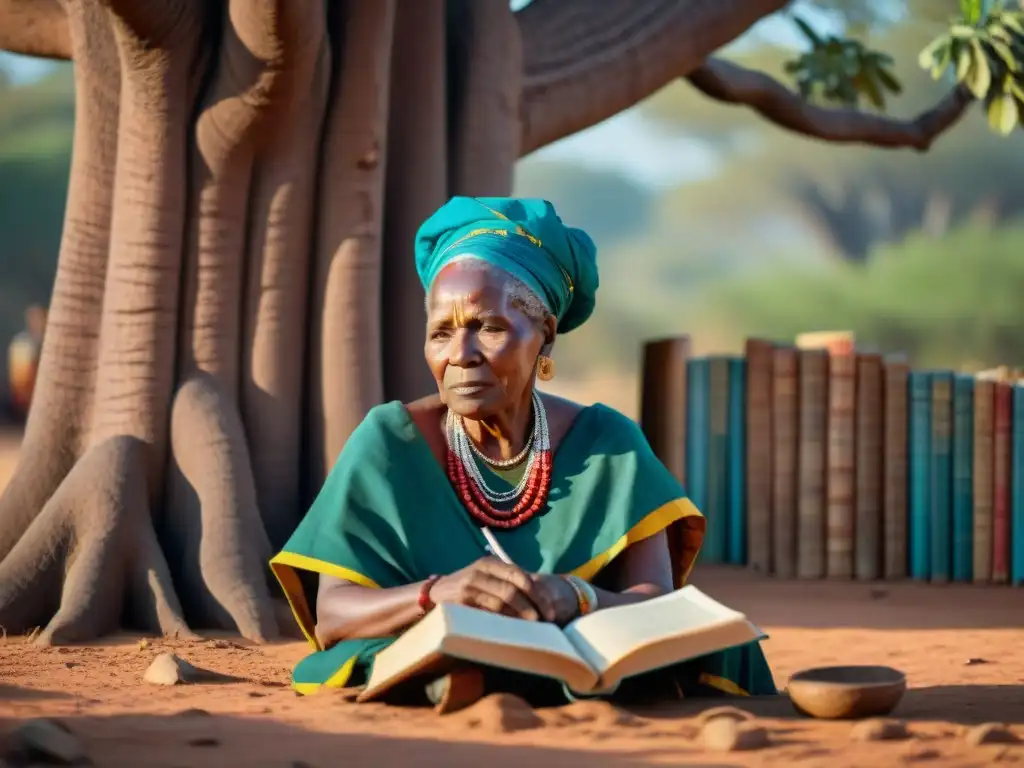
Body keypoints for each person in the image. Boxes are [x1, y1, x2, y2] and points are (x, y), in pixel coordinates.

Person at [271, 196, 776, 708]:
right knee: (390, 652)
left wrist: (579, 597)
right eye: (441, 333)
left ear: (545, 335)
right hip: (425, 640)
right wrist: (439, 595)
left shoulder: (608, 443)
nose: (460, 356)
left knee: (724, 646)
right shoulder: (388, 442)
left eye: (488, 328)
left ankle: (479, 680)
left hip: (575, 653)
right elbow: (334, 616)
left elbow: (654, 602)